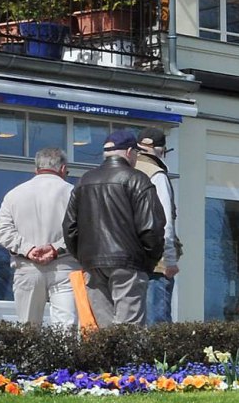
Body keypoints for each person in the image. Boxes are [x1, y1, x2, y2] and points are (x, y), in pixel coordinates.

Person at [62, 130, 164, 327]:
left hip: (92, 264)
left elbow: (70, 227)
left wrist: (83, 257)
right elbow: (152, 227)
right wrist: (149, 261)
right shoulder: (138, 180)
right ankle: (127, 359)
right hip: (129, 263)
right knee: (129, 329)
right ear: (128, 152)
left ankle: (109, 359)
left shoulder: (84, 181)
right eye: (136, 153)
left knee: (105, 333)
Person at [0, 148, 78, 327]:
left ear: (36, 169)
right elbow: (84, 230)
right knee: (66, 327)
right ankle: (64, 356)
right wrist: (56, 248)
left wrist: (28, 249)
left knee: (28, 328)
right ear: (63, 169)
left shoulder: (14, 194)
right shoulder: (74, 193)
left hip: (27, 267)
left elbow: (1, 230)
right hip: (65, 266)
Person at [134, 128, 180, 324]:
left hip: (125, 261)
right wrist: (169, 260)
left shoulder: (124, 171)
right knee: (158, 327)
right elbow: (165, 223)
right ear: (161, 151)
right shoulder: (157, 175)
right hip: (154, 263)